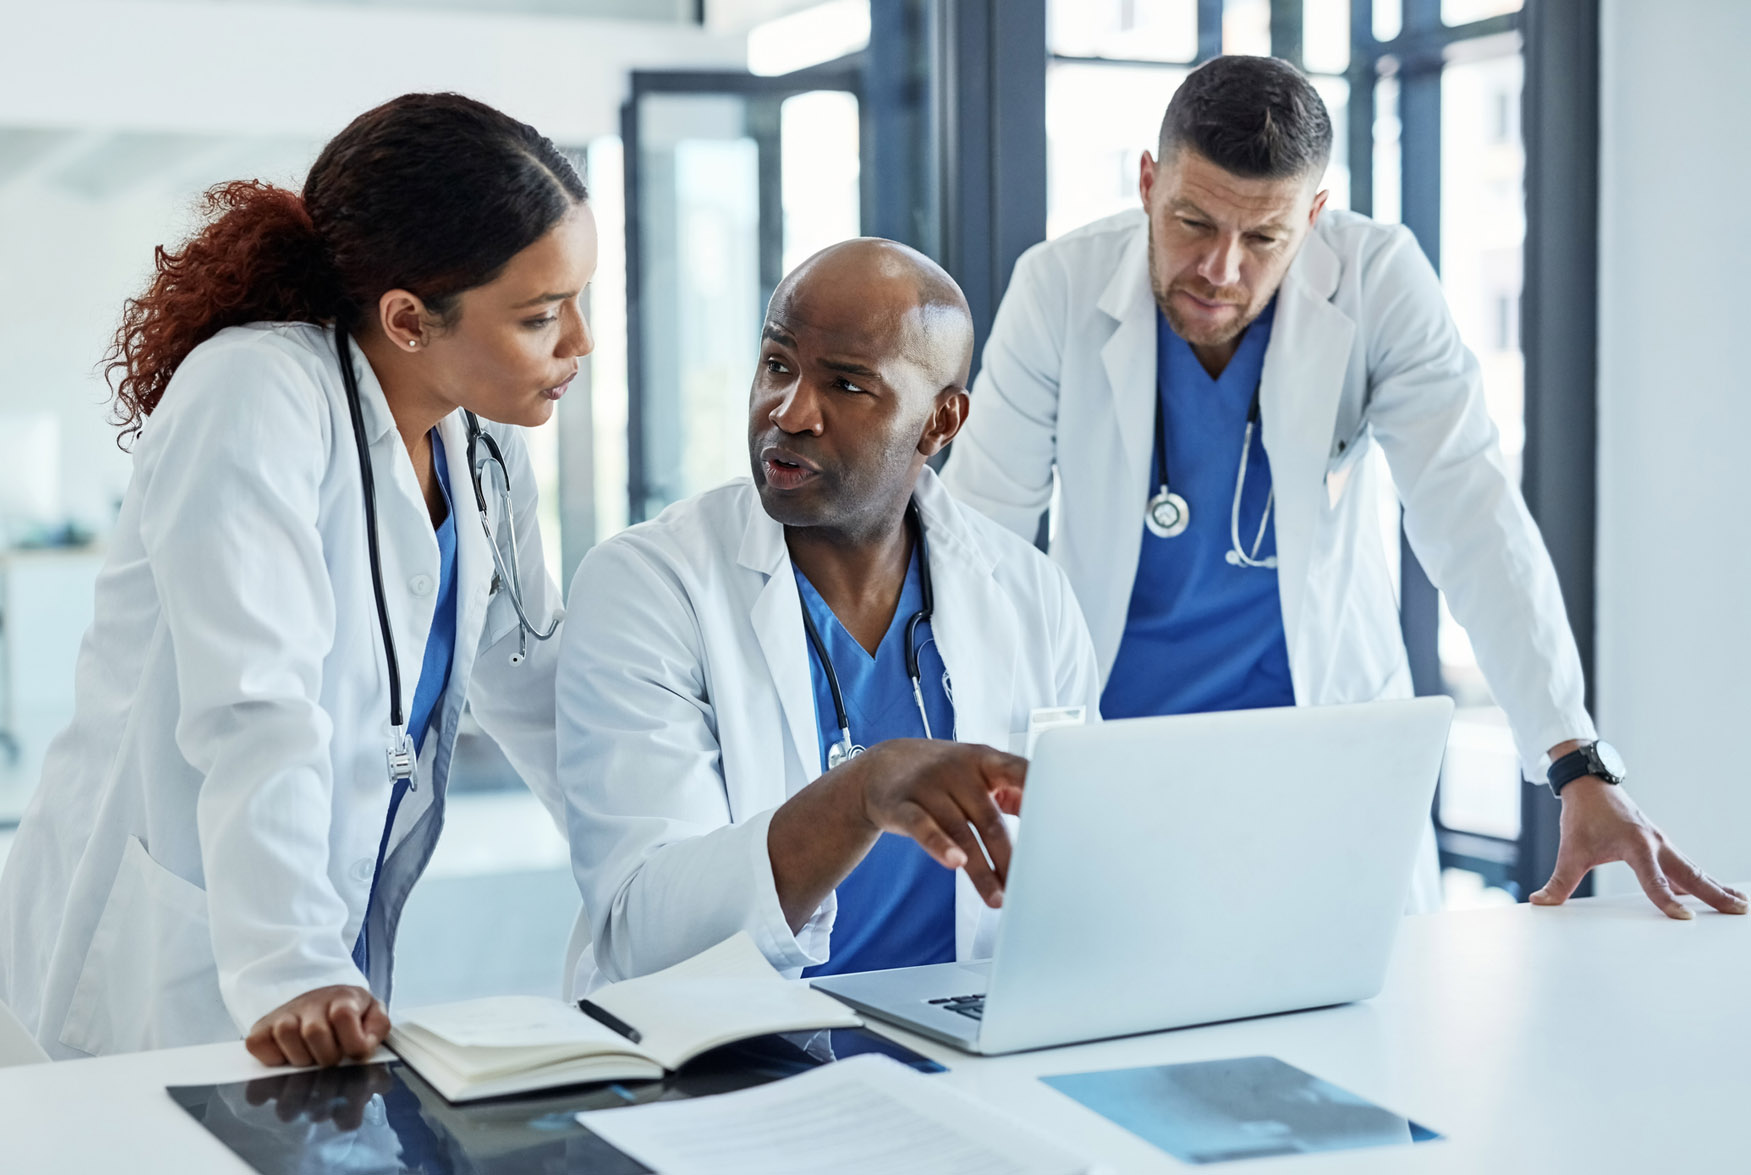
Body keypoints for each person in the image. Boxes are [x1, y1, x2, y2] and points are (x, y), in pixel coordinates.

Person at [941, 55, 1745, 919]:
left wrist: (1574, 759)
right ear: (1147, 181)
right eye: (1191, 221)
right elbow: (975, 539)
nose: (1219, 270)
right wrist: (939, 755)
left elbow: (1470, 512)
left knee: (1356, 1040)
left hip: (1322, 768)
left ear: (1313, 217)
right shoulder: (1057, 288)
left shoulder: (1377, 281)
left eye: (1262, 239)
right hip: (1118, 766)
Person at [0, 93, 593, 1064]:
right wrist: (291, 963)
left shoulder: (478, 436)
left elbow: (533, 680)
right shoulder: (254, 392)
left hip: (323, 948)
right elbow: (254, 704)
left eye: (579, 302)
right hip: (178, 954)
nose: (580, 344)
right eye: (540, 316)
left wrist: (679, 862)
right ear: (407, 317)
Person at [558, 239, 1100, 988]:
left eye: (846, 385)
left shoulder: (1030, 595)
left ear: (940, 422)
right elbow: (643, 929)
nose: (789, 410)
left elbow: (1073, 871)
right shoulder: (648, 584)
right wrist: (863, 791)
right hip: (733, 1060)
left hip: (960, 1048)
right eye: (777, 364)